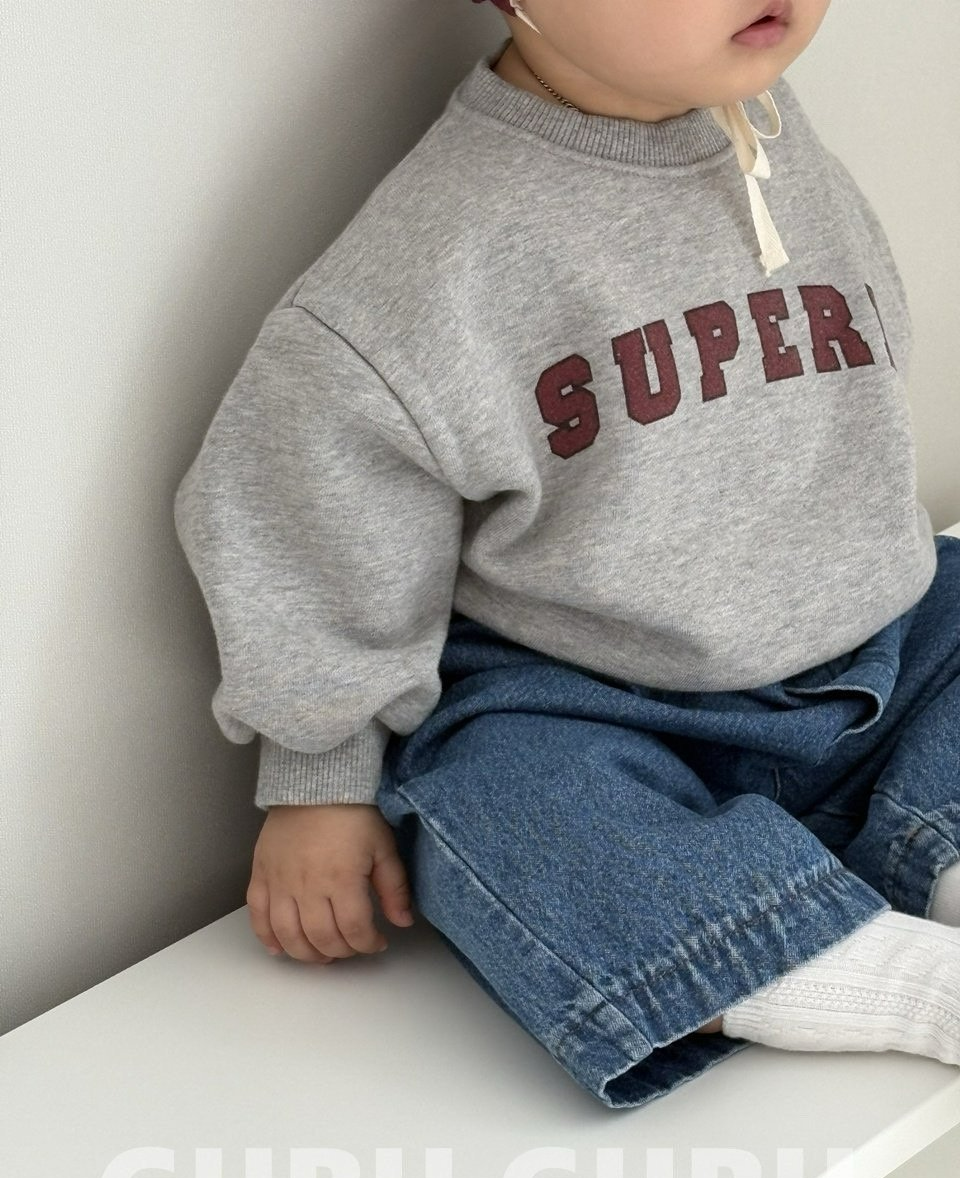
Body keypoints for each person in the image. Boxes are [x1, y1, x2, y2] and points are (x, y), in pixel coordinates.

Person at [172, 0, 960, 1108]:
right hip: (594, 701)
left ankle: (935, 844)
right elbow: (306, 509)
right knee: (491, 799)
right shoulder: (438, 256)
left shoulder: (761, 125)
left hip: (875, 646)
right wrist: (319, 781)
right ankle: (862, 972)